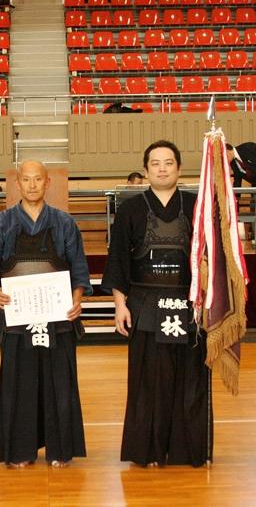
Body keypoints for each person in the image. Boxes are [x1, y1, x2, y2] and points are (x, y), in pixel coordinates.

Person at [101, 141, 210, 468]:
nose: (162, 169)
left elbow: (211, 258)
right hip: (145, 304)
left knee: (190, 378)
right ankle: (147, 451)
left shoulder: (197, 206)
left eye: (169, 163)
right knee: (147, 381)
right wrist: (120, 304)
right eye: (155, 163)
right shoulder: (131, 209)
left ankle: (187, 451)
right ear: (146, 170)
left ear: (179, 168)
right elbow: (118, 260)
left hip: (189, 305)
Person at [0, 160, 92, 468]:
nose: (32, 185)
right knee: (18, 385)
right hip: (17, 317)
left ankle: (60, 450)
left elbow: (79, 268)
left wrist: (76, 299)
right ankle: (20, 451)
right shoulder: (1, 223)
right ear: (17, 184)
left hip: (57, 317)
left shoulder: (64, 222)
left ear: (47, 183)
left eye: (38, 179)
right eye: (26, 179)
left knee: (60, 383)